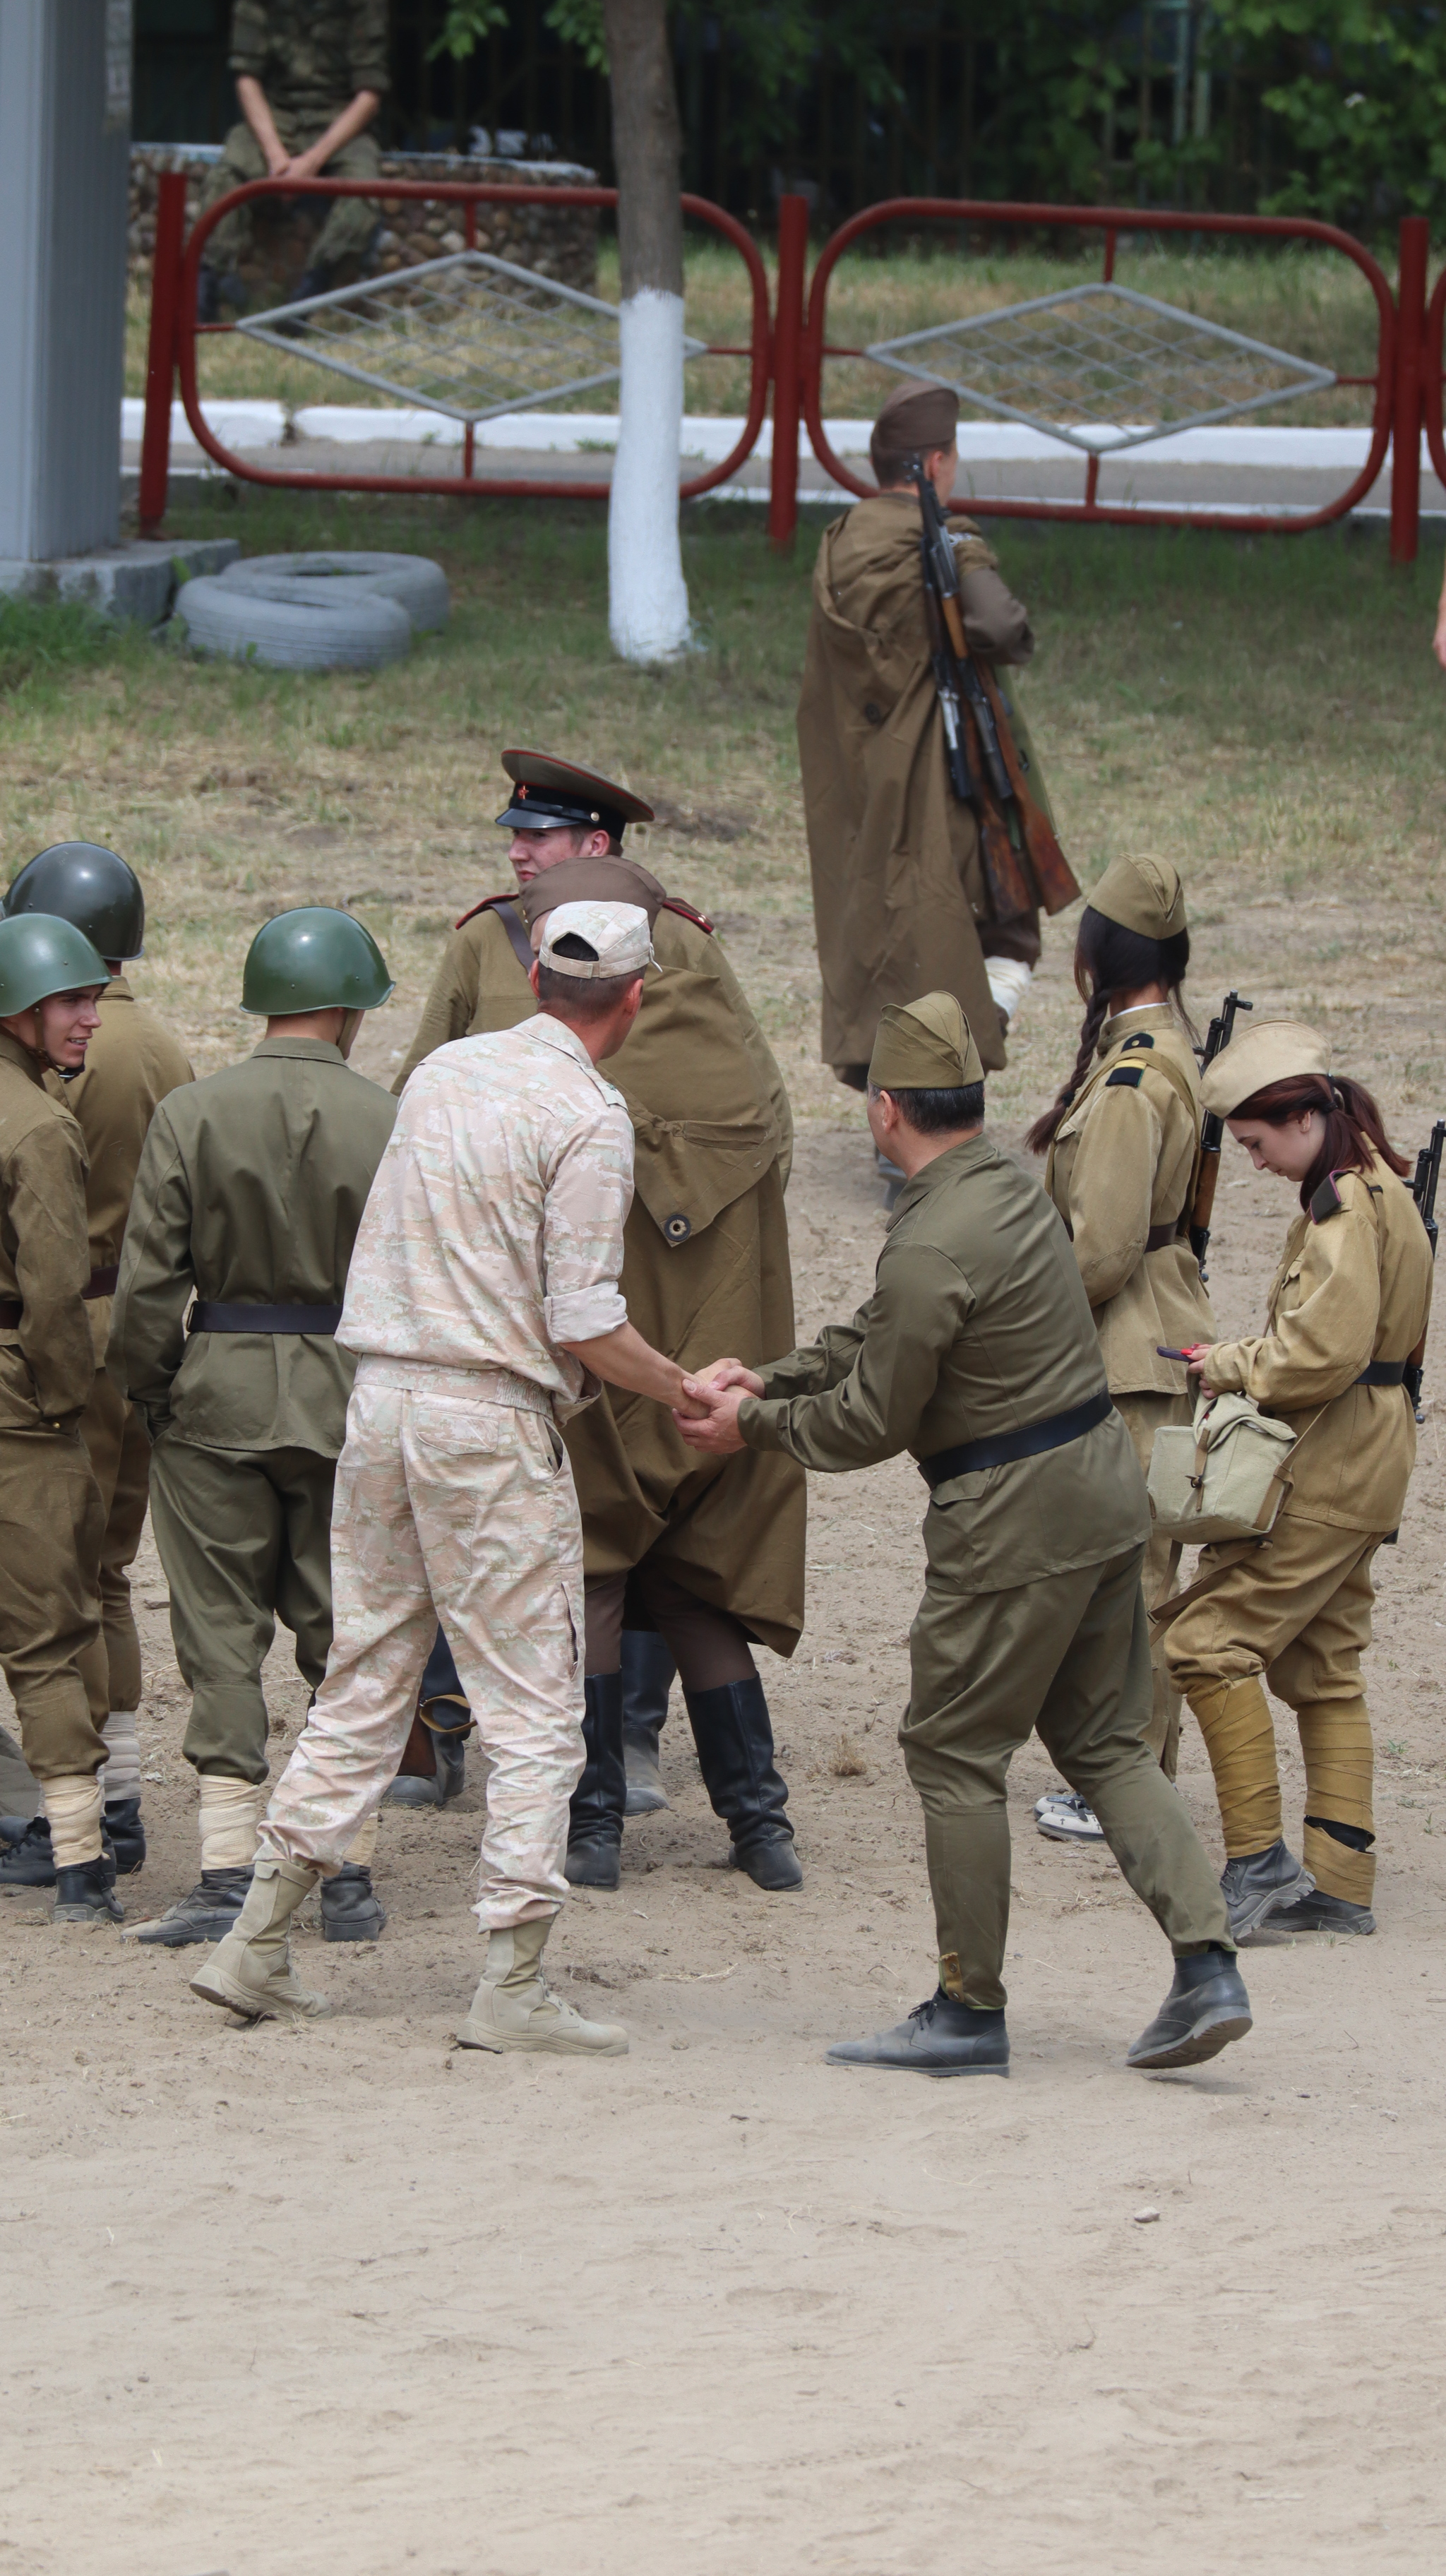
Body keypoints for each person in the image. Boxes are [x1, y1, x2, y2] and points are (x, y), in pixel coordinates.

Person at [679, 991, 1253, 2076]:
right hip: (1099, 1491)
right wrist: (773, 1377)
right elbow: (880, 1332)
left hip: (1010, 1522)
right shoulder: (1005, 1188)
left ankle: (966, 2009)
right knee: (1106, 1744)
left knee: (954, 1751)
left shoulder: (930, 1238)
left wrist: (748, 1426)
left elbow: (870, 1420)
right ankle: (1208, 1963)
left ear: (885, 1109)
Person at [188, 902, 703, 2056]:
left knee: (363, 1675)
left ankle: (257, 1940)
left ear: (536, 977)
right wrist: (679, 1388)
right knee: (534, 1707)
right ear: (634, 996)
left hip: (379, 1403)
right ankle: (512, 1977)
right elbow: (582, 1317)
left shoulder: (444, 1073)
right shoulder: (589, 1115)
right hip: (487, 1421)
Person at [393, 749, 806, 1893]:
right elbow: (761, 1129)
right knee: (677, 1567)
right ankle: (751, 1825)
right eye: (515, 835)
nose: (518, 851)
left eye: (541, 836)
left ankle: (598, 1826)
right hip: (666, 1308)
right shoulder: (657, 949)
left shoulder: (530, 951)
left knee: (595, 1564)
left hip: (581, 1313)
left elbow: (420, 1117)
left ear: (597, 846)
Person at [107, 908, 397, 1949]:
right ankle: (347, 1873)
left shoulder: (191, 1112)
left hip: (216, 1397)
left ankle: (227, 1871)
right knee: (346, 1636)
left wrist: (157, 1391)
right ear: (350, 1008)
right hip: (348, 1397)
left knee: (218, 1638)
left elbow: (149, 1285)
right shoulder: (390, 1117)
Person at [1159, 1020, 1434, 1941]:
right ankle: (1340, 1880)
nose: (1254, 1161)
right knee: (1322, 1665)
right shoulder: (1379, 1187)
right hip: (1367, 1453)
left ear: (1306, 1118)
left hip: (1330, 1459)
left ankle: (1259, 1864)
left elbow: (1320, 1354)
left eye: (1257, 1142)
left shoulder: (1344, 1208)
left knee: (1205, 1643)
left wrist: (1228, 1363)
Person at [0, 844, 192, 1893]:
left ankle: (72, 1818)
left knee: (51, 1588)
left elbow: (40, 1248)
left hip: (59, 1329)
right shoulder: (160, 1043)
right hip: (138, 1318)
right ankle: (116, 1800)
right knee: (106, 1573)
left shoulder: (53, 1081)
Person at [796, 379, 1053, 1123]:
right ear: (936, 462)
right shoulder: (940, 540)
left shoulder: (840, 542)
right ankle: (937, 1089)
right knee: (1001, 926)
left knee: (882, 930)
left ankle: (894, 1090)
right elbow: (1002, 627)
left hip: (862, 777)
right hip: (947, 776)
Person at [1025, 852, 1214, 1843]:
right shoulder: (1152, 1054)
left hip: (1130, 1350)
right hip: (1147, 1338)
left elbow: (1099, 1250)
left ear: (1097, 957)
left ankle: (1125, 1782)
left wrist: (1021, 1320)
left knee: (1131, 1579)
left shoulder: (1134, 1079)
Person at [0, 914, 119, 1924]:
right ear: (18, 1011)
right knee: (50, 1630)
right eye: (71, 1001)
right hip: (16, 1398)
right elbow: (53, 1295)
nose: (91, 1019)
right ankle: (80, 1862)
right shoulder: (38, 1126)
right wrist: (62, 1403)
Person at [196, 0, 389, 321]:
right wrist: (277, 159)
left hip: (339, 121)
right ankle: (208, 285)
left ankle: (311, 293)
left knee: (364, 192)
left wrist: (311, 163)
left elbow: (369, 95)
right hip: (275, 116)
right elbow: (247, 78)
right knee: (226, 177)